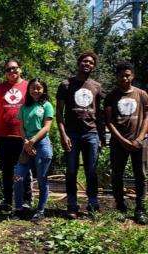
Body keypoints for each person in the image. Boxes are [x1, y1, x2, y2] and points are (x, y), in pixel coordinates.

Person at [56, 51, 105, 219]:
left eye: (91, 62)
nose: (87, 64)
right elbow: (59, 113)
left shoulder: (97, 86)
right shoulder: (66, 85)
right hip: (72, 135)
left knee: (91, 171)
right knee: (71, 171)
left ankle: (92, 203)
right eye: (84, 61)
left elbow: (99, 114)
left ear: (93, 66)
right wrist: (63, 135)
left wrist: (101, 137)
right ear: (78, 63)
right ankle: (71, 204)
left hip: (91, 134)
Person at [105, 61, 148, 224]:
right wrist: (122, 140)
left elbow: (146, 117)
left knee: (141, 176)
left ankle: (140, 209)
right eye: (121, 75)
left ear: (133, 76)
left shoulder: (142, 94)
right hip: (118, 143)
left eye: (127, 75)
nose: (125, 78)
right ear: (117, 76)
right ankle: (120, 207)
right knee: (117, 174)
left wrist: (140, 138)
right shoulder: (111, 96)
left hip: (140, 142)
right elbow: (109, 122)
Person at [0, 60, 32, 210]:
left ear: (20, 69)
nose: (11, 71)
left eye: (14, 68)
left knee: (23, 167)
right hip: (2, 135)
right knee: (6, 169)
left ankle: (26, 200)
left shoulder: (29, 86)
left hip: (23, 135)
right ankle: (7, 200)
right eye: (8, 69)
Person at [12, 78, 54, 222]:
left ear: (43, 90)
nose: (35, 91)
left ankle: (40, 211)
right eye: (32, 88)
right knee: (18, 176)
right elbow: (21, 127)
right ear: (28, 90)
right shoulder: (24, 107)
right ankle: (18, 209)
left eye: (38, 88)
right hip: (26, 145)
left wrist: (33, 141)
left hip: (42, 145)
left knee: (42, 179)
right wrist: (26, 142)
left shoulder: (47, 105)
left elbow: (46, 127)